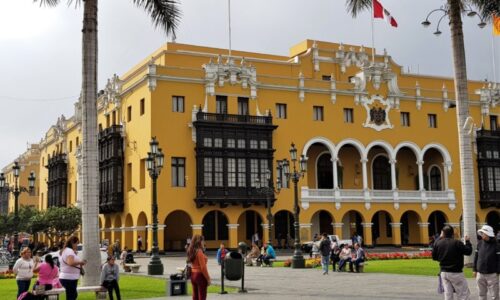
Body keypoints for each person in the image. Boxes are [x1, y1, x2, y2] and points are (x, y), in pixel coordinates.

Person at [432, 225, 473, 300]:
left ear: (443, 233)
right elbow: (468, 251)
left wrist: (439, 238)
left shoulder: (438, 243)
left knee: (448, 294)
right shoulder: (457, 243)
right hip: (456, 272)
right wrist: (468, 242)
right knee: (463, 294)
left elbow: (434, 257)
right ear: (452, 233)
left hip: (444, 272)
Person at [473, 225, 499, 300]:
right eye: (481, 233)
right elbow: (476, 257)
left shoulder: (496, 245)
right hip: (480, 274)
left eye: (483, 233)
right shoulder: (479, 244)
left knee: (494, 296)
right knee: (481, 294)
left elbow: (499, 259)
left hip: (492, 274)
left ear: (488, 234)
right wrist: (474, 269)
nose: (481, 235)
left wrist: (497, 271)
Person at [60, 236, 86, 300]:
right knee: (71, 297)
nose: (77, 245)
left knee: (72, 295)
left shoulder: (66, 250)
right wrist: (80, 262)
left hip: (69, 277)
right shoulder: (69, 251)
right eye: (77, 243)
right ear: (72, 243)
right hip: (69, 278)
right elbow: (70, 263)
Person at [187, 235, 210, 300]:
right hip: (200, 275)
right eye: (203, 241)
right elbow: (203, 267)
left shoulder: (191, 251)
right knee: (202, 296)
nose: (204, 242)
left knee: (195, 296)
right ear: (199, 241)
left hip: (193, 275)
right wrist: (208, 279)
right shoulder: (199, 252)